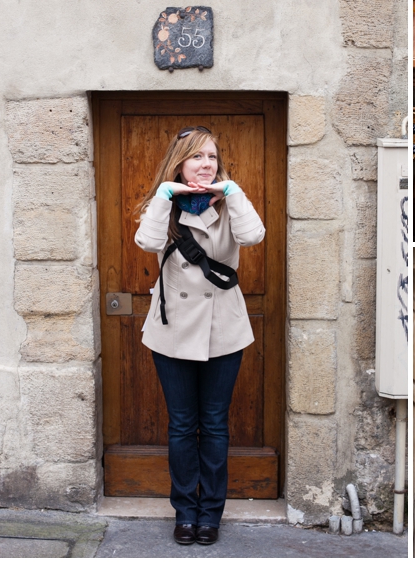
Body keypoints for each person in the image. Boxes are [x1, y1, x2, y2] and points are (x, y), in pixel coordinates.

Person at [134, 126, 265, 546]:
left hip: (222, 330)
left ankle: (210, 513)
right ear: (180, 164)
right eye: (196, 158)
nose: (205, 164)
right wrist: (165, 194)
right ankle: (184, 512)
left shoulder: (229, 206)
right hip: (172, 333)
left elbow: (253, 236)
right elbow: (146, 240)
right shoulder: (165, 207)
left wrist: (233, 190)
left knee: (213, 425)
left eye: (211, 157)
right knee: (181, 425)